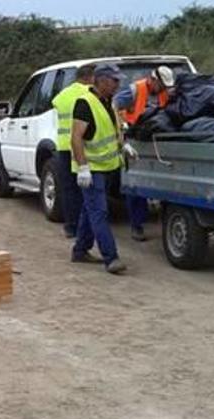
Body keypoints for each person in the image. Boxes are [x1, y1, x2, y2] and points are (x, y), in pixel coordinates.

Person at [70, 63, 132, 275]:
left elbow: (113, 129)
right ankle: (111, 257)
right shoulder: (85, 103)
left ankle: (80, 250)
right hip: (92, 169)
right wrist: (83, 168)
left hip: (107, 167)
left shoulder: (108, 101)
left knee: (91, 210)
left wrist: (124, 145)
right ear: (102, 80)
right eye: (115, 80)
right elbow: (76, 137)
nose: (118, 84)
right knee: (99, 212)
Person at [114, 66, 175, 242]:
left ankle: (160, 219)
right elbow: (114, 105)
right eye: (161, 85)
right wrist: (121, 129)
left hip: (156, 142)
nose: (163, 89)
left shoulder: (164, 93)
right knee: (135, 185)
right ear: (153, 79)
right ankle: (137, 225)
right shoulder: (135, 90)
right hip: (135, 142)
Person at [50, 65, 96, 238]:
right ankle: (88, 226)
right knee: (88, 188)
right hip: (85, 147)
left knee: (69, 189)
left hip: (64, 147)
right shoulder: (91, 94)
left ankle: (71, 226)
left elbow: (54, 105)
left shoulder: (62, 96)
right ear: (90, 77)